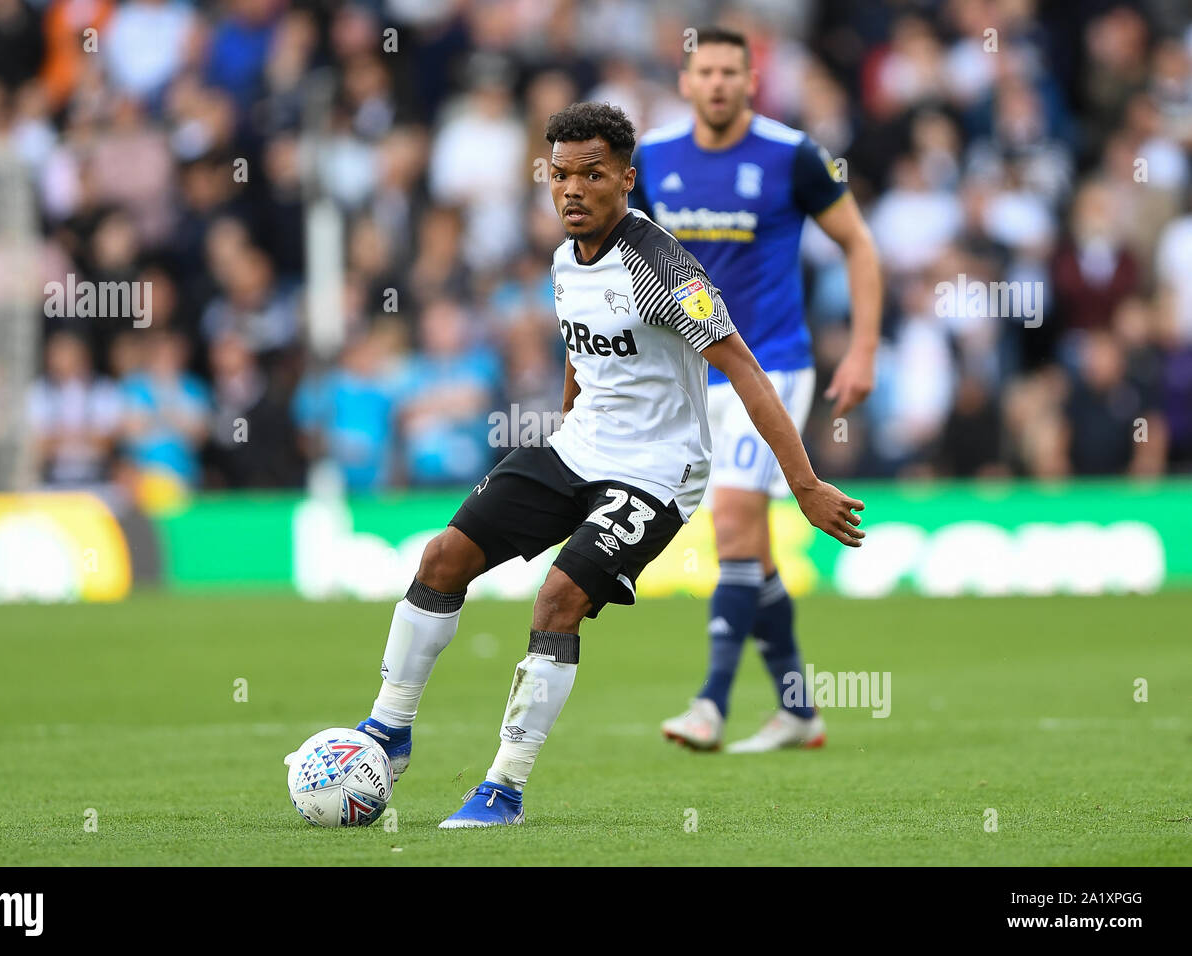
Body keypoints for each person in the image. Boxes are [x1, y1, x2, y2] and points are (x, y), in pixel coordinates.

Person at [349, 102, 864, 828]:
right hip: (579, 448)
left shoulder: (661, 265)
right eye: (560, 174)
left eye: (592, 174)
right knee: (443, 556)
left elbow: (745, 370)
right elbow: (581, 352)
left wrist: (804, 485)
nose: (572, 189)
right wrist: (563, 432)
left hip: (658, 471)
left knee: (558, 601)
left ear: (625, 179)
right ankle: (387, 729)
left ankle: (503, 785)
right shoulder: (565, 259)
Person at [630, 28, 883, 753]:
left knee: (735, 523)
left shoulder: (793, 154)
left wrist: (862, 347)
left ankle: (709, 703)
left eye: (729, 72)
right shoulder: (651, 158)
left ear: (750, 81)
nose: (716, 83)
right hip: (684, 372)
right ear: (685, 81)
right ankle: (799, 709)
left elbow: (859, 244)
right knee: (756, 550)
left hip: (771, 366)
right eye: (703, 71)